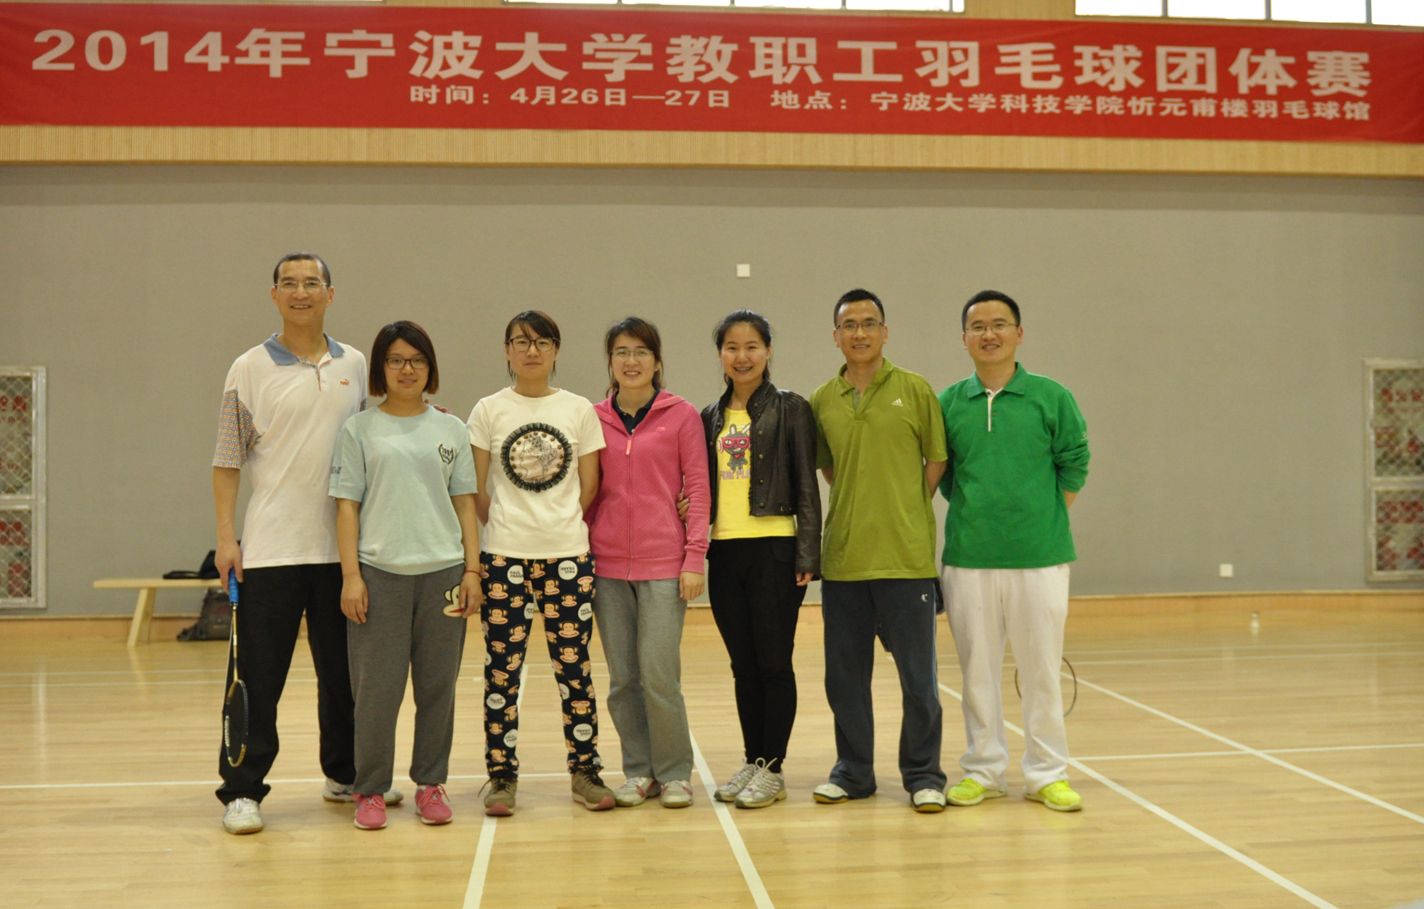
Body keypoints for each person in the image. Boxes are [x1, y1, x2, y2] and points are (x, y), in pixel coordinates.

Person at [212, 252, 399, 835]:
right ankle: (242, 790)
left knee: (344, 677)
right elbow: (227, 459)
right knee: (257, 678)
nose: (301, 292)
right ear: (274, 295)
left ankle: (345, 774)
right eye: (289, 284)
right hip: (270, 551)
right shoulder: (248, 368)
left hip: (341, 555)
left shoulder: (354, 363)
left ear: (329, 294)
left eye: (311, 283)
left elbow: (368, 443)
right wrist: (226, 538)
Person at [939, 290, 1090, 813]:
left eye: (999, 324)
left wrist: (1039, 516)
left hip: (1041, 559)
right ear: (964, 338)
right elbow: (946, 475)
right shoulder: (948, 403)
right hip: (968, 559)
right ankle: (984, 770)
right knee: (976, 673)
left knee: (1041, 670)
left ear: (1019, 334)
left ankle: (1047, 773)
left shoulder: (1052, 396)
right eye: (978, 326)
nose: (989, 334)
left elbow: (1075, 463)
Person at [330, 321, 483, 830]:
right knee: (377, 692)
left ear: (429, 367)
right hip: (379, 576)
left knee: (437, 688)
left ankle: (431, 783)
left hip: (443, 574)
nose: (406, 369)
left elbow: (465, 505)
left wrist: (472, 569)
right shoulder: (358, 430)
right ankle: (370, 790)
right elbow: (346, 508)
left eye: (416, 360)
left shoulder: (451, 429)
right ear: (381, 368)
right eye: (395, 360)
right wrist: (351, 576)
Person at [466, 310, 616, 816]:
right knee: (501, 673)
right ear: (506, 351)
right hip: (504, 557)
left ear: (556, 350)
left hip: (568, 556)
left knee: (575, 670)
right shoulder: (488, 410)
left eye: (542, 342)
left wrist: (557, 523)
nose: (532, 351)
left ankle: (585, 770)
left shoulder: (578, 409)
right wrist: (506, 526)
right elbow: (476, 488)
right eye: (521, 342)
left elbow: (590, 486)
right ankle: (501, 775)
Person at [808, 288, 949, 814]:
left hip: (906, 561)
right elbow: (829, 467)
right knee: (845, 680)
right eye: (850, 325)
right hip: (844, 561)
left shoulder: (915, 390)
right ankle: (853, 772)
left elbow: (936, 461)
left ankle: (924, 775)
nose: (860, 333)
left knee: (919, 680)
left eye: (869, 323)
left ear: (885, 332)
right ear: (836, 336)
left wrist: (904, 505)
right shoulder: (823, 399)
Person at [587, 317, 710, 809]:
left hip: (664, 565)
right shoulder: (592, 418)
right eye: (621, 352)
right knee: (623, 680)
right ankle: (639, 771)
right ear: (610, 362)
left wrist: (694, 556)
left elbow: (697, 488)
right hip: (606, 569)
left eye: (641, 352)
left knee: (659, 676)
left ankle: (675, 772)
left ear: (657, 361)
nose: (631, 361)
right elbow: (586, 490)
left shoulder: (681, 416)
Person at [700, 310, 821, 809]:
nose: (742, 356)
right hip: (724, 550)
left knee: (774, 662)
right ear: (720, 355)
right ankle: (753, 760)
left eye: (751, 346)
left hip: (774, 548)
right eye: (732, 347)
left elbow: (807, 483)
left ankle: (774, 767)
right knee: (743, 665)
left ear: (768, 351)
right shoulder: (709, 415)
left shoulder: (791, 408)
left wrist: (807, 551)